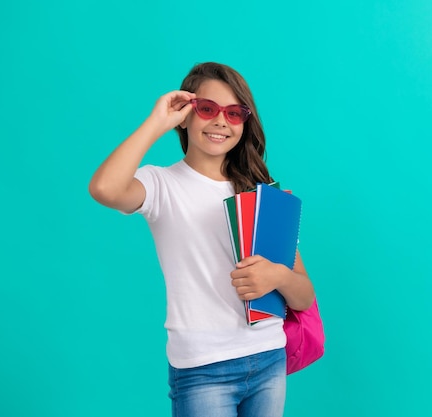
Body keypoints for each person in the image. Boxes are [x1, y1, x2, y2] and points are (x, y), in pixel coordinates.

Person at [89, 62, 315, 417]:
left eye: (234, 113)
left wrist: (278, 277)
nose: (221, 121)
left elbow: (303, 294)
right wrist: (156, 123)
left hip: (269, 357)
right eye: (207, 109)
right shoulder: (161, 185)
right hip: (202, 368)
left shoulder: (262, 194)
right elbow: (104, 188)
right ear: (185, 115)